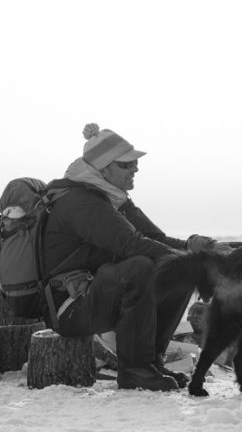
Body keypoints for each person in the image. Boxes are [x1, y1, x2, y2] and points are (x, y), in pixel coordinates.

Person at [41, 123, 214, 391]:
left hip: (95, 295)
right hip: (69, 308)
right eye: (126, 164)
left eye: (134, 163)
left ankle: (150, 363)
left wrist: (191, 249)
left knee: (175, 269)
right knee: (140, 267)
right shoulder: (81, 202)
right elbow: (132, 244)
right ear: (104, 168)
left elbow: (155, 239)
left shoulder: (113, 198)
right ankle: (135, 370)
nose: (135, 169)